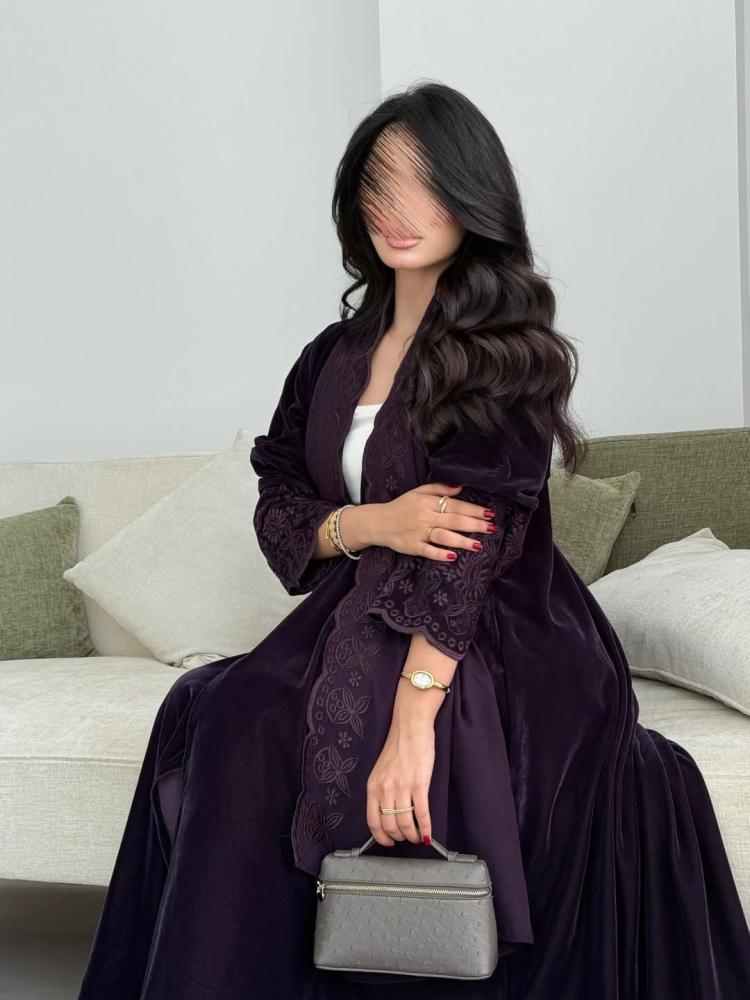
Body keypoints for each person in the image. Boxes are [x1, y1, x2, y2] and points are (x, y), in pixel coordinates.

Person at [77, 82, 750, 1000]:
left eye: (427, 185)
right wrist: (371, 523)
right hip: (352, 606)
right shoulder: (330, 356)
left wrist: (411, 724)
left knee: (400, 761)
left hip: (497, 624)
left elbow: (474, 548)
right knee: (228, 714)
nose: (398, 210)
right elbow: (278, 495)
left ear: (472, 198)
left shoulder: (507, 352)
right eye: (379, 185)